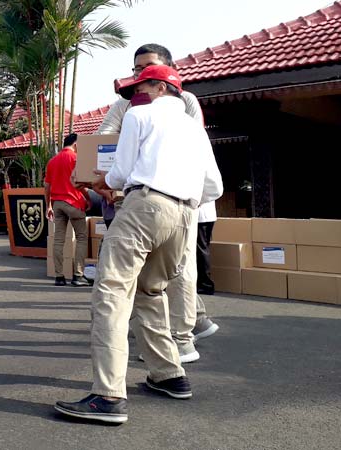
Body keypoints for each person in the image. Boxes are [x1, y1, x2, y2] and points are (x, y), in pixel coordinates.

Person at [54, 65, 223, 424]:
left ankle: (108, 396)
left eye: (140, 86)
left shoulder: (140, 115)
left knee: (111, 295)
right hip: (184, 215)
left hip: (144, 207)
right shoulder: (195, 128)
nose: (135, 95)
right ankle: (169, 375)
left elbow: (121, 170)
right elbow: (215, 188)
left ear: (161, 87)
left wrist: (108, 181)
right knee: (151, 292)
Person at [96, 44, 220, 361]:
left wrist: (107, 179)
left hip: (153, 198)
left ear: (165, 79)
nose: (138, 77)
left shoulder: (177, 104)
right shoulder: (128, 104)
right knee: (153, 284)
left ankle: (179, 339)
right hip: (176, 201)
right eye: (136, 69)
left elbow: (120, 166)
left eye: (146, 71)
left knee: (115, 289)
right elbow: (102, 137)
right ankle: (168, 360)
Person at [45, 133, 92, 287]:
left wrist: (48, 206)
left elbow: (47, 186)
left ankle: (59, 276)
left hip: (57, 204)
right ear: (76, 144)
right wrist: (88, 199)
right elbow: (81, 183)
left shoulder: (52, 161)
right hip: (74, 202)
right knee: (81, 237)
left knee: (58, 240)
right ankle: (78, 276)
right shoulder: (76, 159)